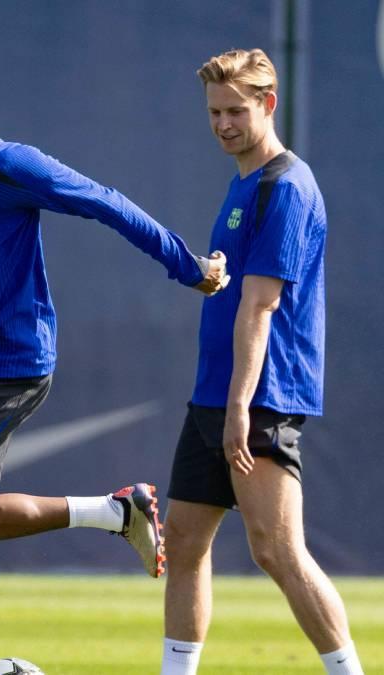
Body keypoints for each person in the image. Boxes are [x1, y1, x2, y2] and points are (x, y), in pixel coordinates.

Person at [0, 47, 229, 675]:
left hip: (11, 361)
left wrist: (186, 266)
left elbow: (103, 200)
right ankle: (115, 512)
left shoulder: (0, 162)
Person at [160, 48, 364, 675]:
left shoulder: (286, 185)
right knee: (187, 542)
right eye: (214, 112)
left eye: (235, 111)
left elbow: (262, 308)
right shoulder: (243, 183)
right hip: (215, 392)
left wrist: (240, 410)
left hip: (260, 396)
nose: (223, 123)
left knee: (278, 550)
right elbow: (239, 292)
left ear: (268, 105)